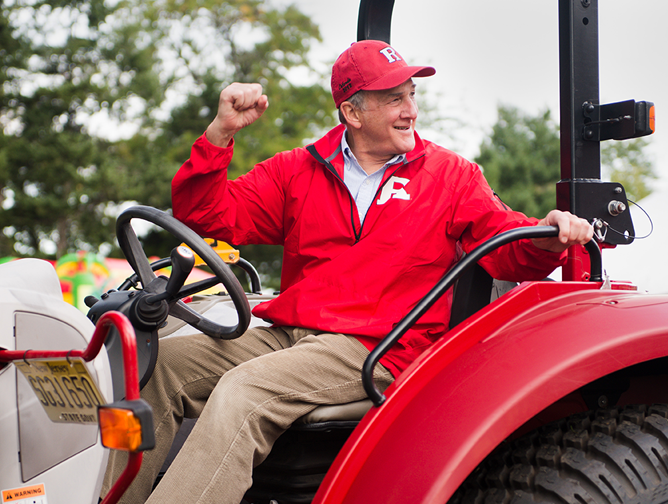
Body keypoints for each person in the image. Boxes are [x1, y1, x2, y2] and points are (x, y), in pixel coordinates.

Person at [101, 40, 593, 504]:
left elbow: (508, 249)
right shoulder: (298, 171)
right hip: (290, 334)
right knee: (155, 367)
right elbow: (209, 216)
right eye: (393, 98)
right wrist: (220, 133)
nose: (411, 111)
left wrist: (551, 233)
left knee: (243, 392)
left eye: (412, 95)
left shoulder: (450, 177)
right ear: (352, 112)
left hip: (376, 346)